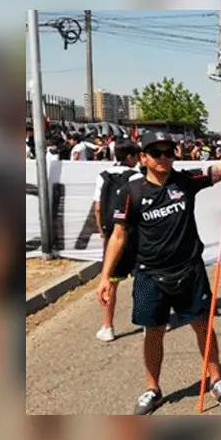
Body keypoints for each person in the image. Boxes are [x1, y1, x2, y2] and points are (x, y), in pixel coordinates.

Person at [97, 122, 221, 415]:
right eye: (155, 152)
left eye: (168, 152)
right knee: (154, 332)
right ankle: (153, 389)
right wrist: (106, 278)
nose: (163, 157)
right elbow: (118, 236)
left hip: (189, 270)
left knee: (203, 325)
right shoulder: (130, 191)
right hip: (149, 275)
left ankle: (216, 379)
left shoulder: (185, 181)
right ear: (143, 157)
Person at [92, 140, 142, 342]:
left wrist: (103, 231)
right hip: (135, 233)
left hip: (112, 233)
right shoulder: (137, 176)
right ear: (131, 157)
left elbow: (97, 206)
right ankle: (149, 322)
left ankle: (107, 326)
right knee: (142, 279)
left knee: (110, 282)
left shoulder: (103, 176)